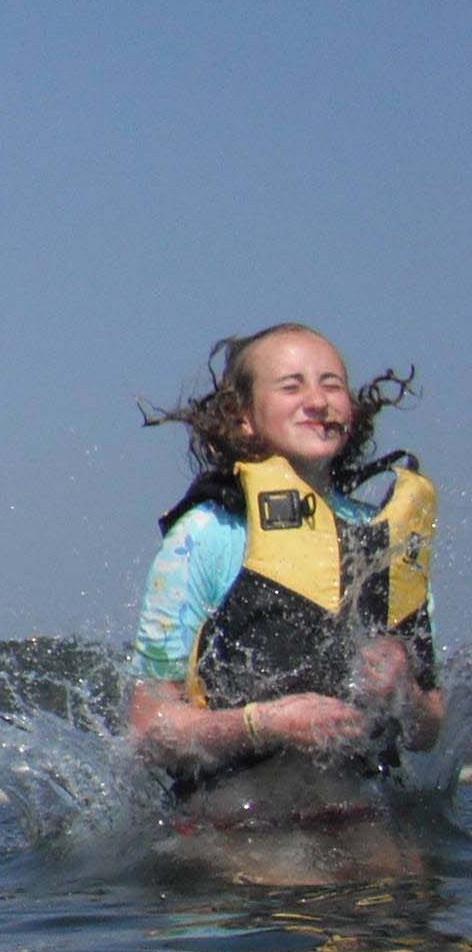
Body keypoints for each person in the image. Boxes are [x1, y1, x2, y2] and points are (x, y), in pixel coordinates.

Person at [127, 323, 441, 841]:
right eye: (292, 386)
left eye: (332, 385)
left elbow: (428, 730)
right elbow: (147, 729)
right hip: (237, 815)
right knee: (287, 876)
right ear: (244, 419)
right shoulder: (206, 536)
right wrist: (266, 723)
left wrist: (403, 689)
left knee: (401, 894)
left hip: (359, 809)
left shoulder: (387, 538)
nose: (317, 400)